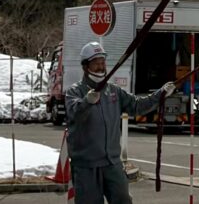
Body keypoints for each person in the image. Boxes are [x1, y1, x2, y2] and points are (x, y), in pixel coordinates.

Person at [67, 41, 174, 204]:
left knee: (123, 200)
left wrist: (161, 94)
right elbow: (74, 113)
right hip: (86, 166)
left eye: (102, 62)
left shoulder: (113, 90)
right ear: (85, 66)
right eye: (96, 63)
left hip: (112, 163)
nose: (101, 67)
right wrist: (86, 102)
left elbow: (137, 105)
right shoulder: (75, 91)